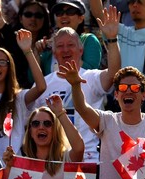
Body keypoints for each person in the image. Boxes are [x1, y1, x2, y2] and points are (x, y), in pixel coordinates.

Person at [33, 6, 120, 163]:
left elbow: (114, 74)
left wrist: (112, 39)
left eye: (71, 45)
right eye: (60, 46)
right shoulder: (43, 85)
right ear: (54, 53)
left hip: (87, 160)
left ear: (81, 50)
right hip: (52, 161)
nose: (65, 50)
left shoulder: (91, 77)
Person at [0, 29, 46, 161]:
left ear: (9, 68)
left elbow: (41, 86)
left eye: (2, 62)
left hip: (13, 168)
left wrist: (27, 51)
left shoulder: (19, 98)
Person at [90, 0, 145, 117]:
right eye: (131, 2)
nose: (135, 5)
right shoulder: (119, 31)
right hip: (120, 113)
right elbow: (98, 14)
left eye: (140, 1)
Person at [38, 0, 102, 74]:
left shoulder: (89, 40)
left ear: (81, 18)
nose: (64, 16)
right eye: (59, 13)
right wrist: (37, 53)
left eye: (70, 12)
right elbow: (32, 79)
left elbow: (91, 72)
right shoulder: (49, 45)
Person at [14, 0, 51, 86]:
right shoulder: (11, 41)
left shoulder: (49, 44)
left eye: (38, 15)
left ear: (44, 19)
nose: (33, 19)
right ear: (20, 18)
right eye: (28, 14)